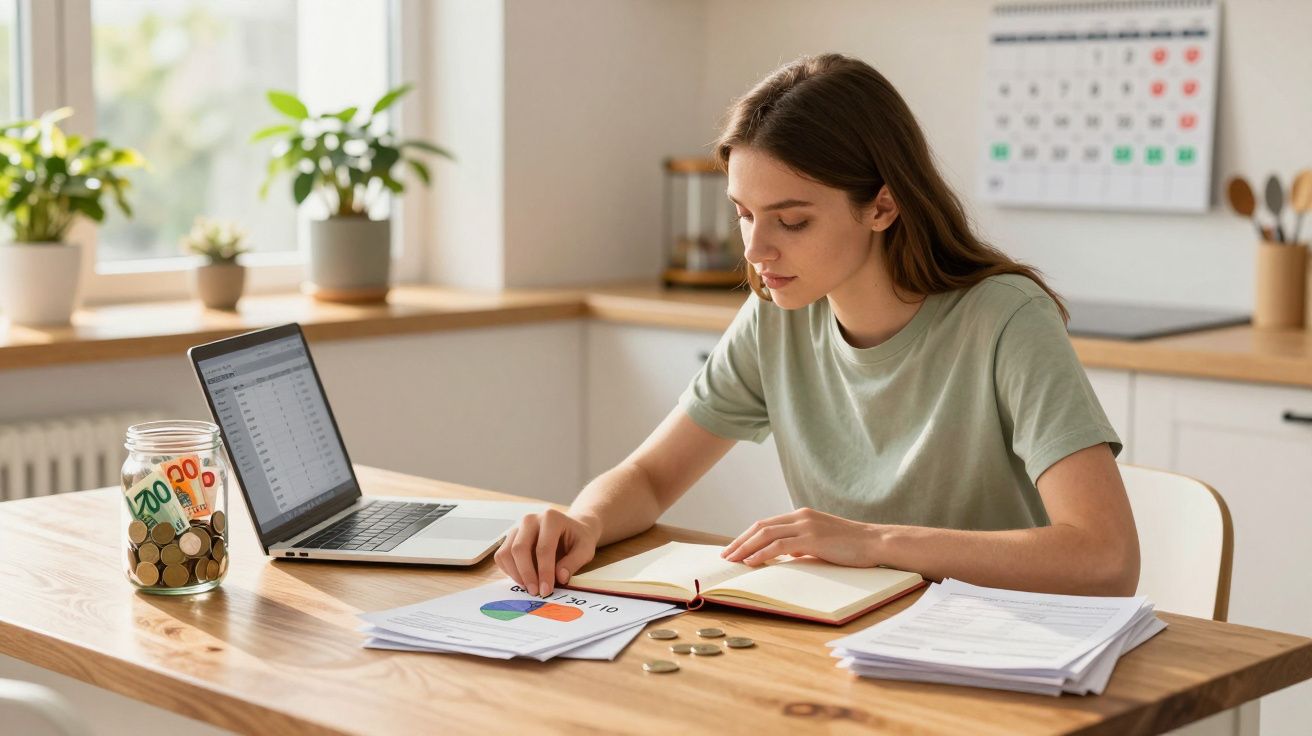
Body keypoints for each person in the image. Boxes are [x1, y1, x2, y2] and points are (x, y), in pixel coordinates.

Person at [495, 53, 1139, 600]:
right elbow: (652, 477)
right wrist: (582, 519)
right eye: (744, 214)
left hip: (996, 646)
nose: (755, 250)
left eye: (791, 221)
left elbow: (1106, 558)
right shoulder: (778, 318)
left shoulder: (1004, 319)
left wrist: (874, 543)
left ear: (882, 205)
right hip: (851, 642)